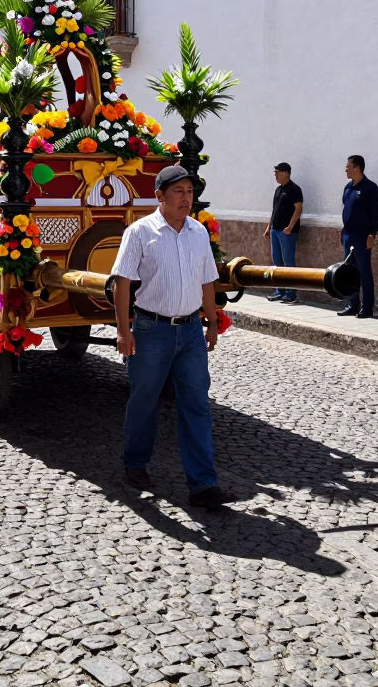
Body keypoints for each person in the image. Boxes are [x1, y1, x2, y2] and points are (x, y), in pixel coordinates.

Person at [111, 164, 235, 508]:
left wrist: (211, 321)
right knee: (144, 400)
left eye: (190, 192)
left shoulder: (198, 232)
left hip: (191, 332)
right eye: (178, 192)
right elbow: (122, 283)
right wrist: (124, 331)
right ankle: (135, 463)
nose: (186, 198)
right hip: (151, 330)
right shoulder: (139, 232)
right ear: (159, 196)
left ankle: (203, 485)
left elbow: (208, 280)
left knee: (197, 405)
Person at [338, 155, 378, 319]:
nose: (345, 169)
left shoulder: (370, 188)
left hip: (362, 236)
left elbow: (377, 213)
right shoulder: (348, 188)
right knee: (349, 271)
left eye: (348, 166)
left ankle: (367, 307)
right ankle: (352, 304)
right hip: (348, 234)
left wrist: (372, 234)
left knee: (364, 271)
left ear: (357, 168)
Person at [262, 162, 303, 304]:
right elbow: (274, 210)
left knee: (288, 262)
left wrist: (290, 227)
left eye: (277, 172)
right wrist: (269, 227)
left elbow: (298, 209)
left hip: (287, 232)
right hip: (275, 230)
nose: (275, 175)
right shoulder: (278, 190)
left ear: (286, 173)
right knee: (277, 261)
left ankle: (291, 293)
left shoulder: (295, 189)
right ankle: (280, 290)